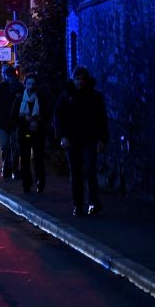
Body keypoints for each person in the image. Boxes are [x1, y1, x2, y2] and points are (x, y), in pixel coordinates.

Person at [54, 65, 109, 217]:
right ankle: (78, 204)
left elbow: (101, 118)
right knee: (76, 172)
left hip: (89, 138)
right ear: (73, 80)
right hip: (72, 139)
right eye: (77, 79)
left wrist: (102, 139)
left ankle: (93, 201)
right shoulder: (66, 96)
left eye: (82, 79)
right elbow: (58, 117)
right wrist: (62, 136)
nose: (80, 82)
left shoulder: (94, 96)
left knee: (89, 169)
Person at [16, 73, 50, 194]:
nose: (31, 86)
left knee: (38, 158)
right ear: (25, 84)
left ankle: (40, 182)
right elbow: (14, 116)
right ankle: (26, 184)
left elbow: (47, 113)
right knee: (25, 159)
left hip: (37, 132)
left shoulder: (41, 98)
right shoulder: (20, 99)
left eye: (33, 84)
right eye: (29, 83)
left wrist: (39, 119)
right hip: (24, 132)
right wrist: (24, 118)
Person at [0, 65, 22, 181]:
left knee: (15, 146)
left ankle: (14, 169)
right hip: (2, 122)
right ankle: (6, 166)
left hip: (15, 122)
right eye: (8, 76)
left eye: (12, 76)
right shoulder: (0, 87)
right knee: (5, 145)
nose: (10, 78)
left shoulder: (19, 87)